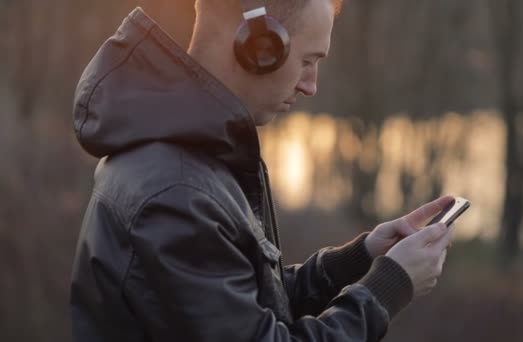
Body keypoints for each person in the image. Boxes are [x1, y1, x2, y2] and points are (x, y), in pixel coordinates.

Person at [70, 0, 455, 341]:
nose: (311, 86)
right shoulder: (177, 193)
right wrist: (389, 287)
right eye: (307, 61)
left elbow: (242, 303)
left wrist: (361, 256)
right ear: (259, 47)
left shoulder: (191, 156)